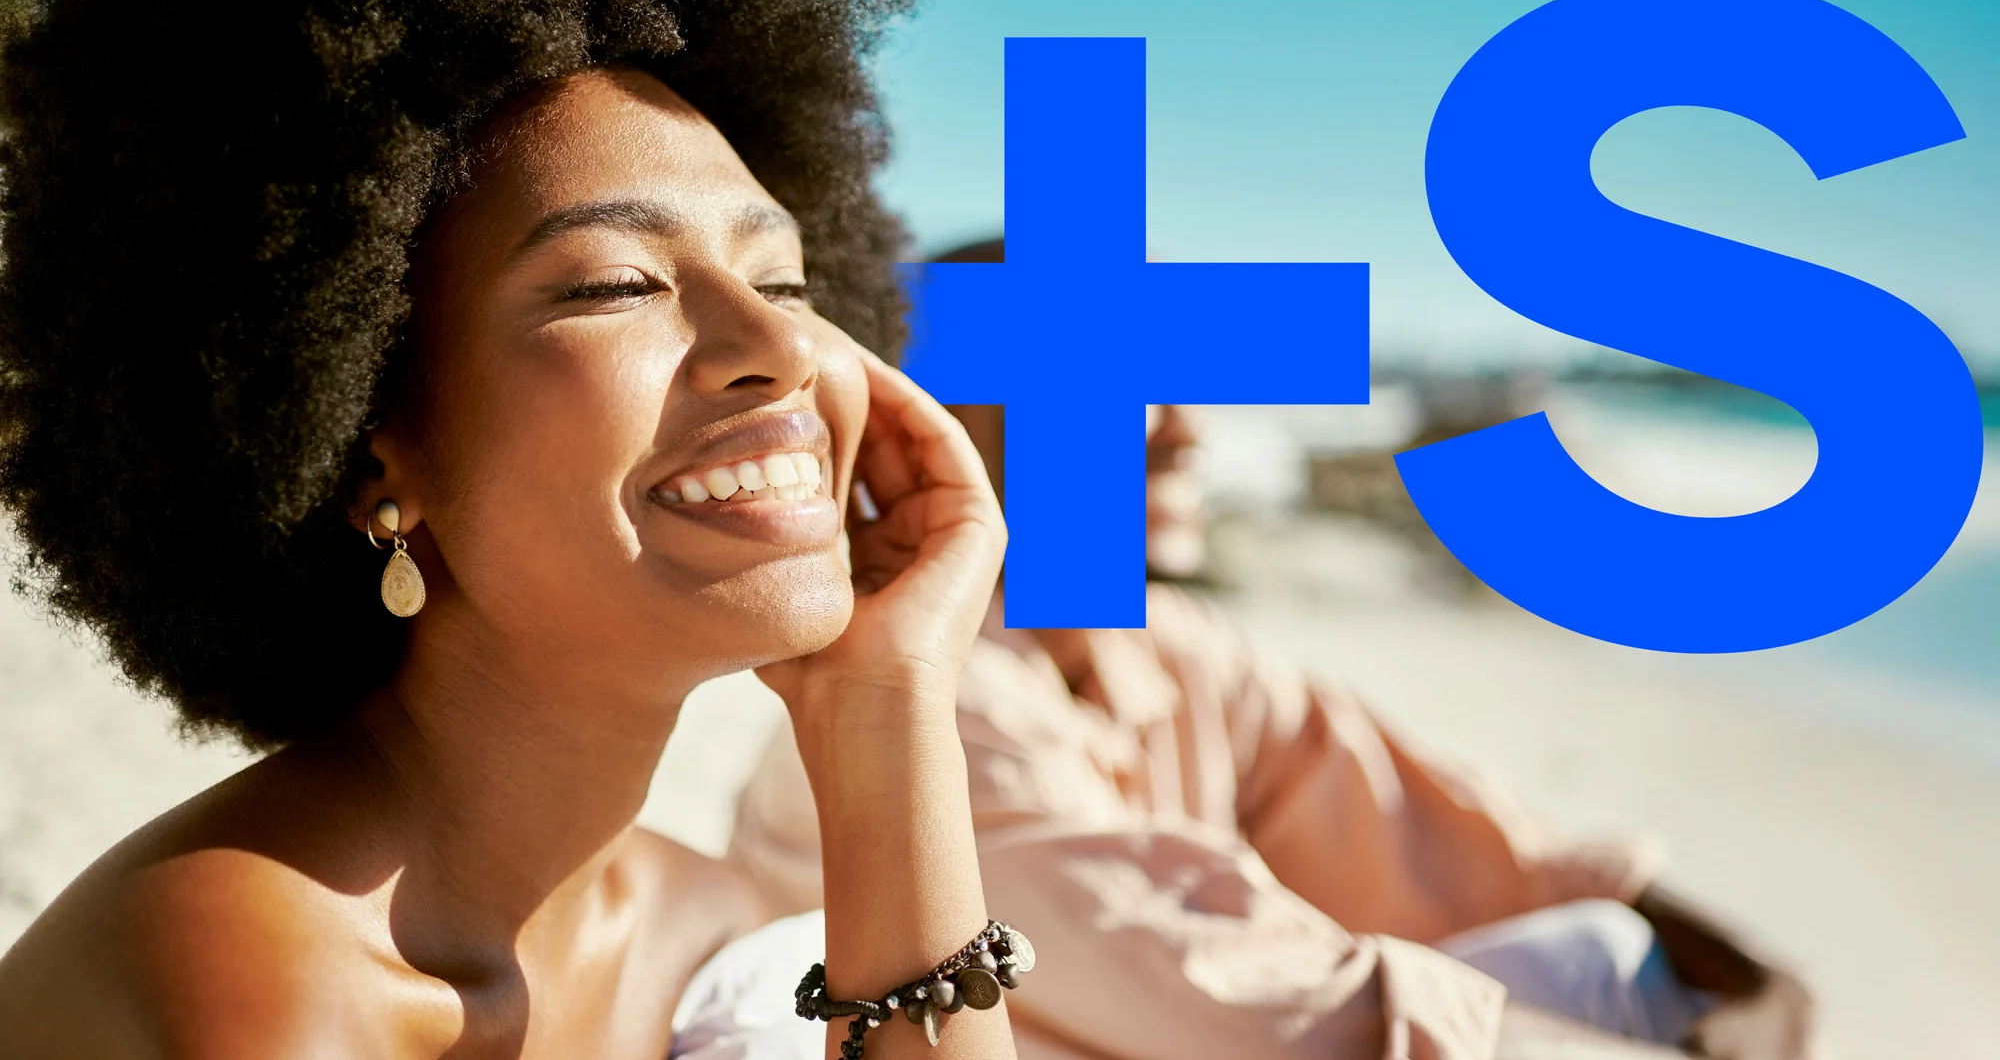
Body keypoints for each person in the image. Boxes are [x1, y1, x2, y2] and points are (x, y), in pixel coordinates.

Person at [0, 0, 1018, 1059]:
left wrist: (884, 706)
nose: (779, 343)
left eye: (782, 279)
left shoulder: (708, 928)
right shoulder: (238, 971)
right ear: (367, 457)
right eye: (613, 285)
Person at [728, 241, 1817, 1060]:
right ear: (950, 429)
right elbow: (1256, 1001)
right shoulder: (929, 697)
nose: (1183, 425)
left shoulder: (1164, 648)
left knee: (1595, 948)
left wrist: (1749, 973)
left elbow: (1456, 835)